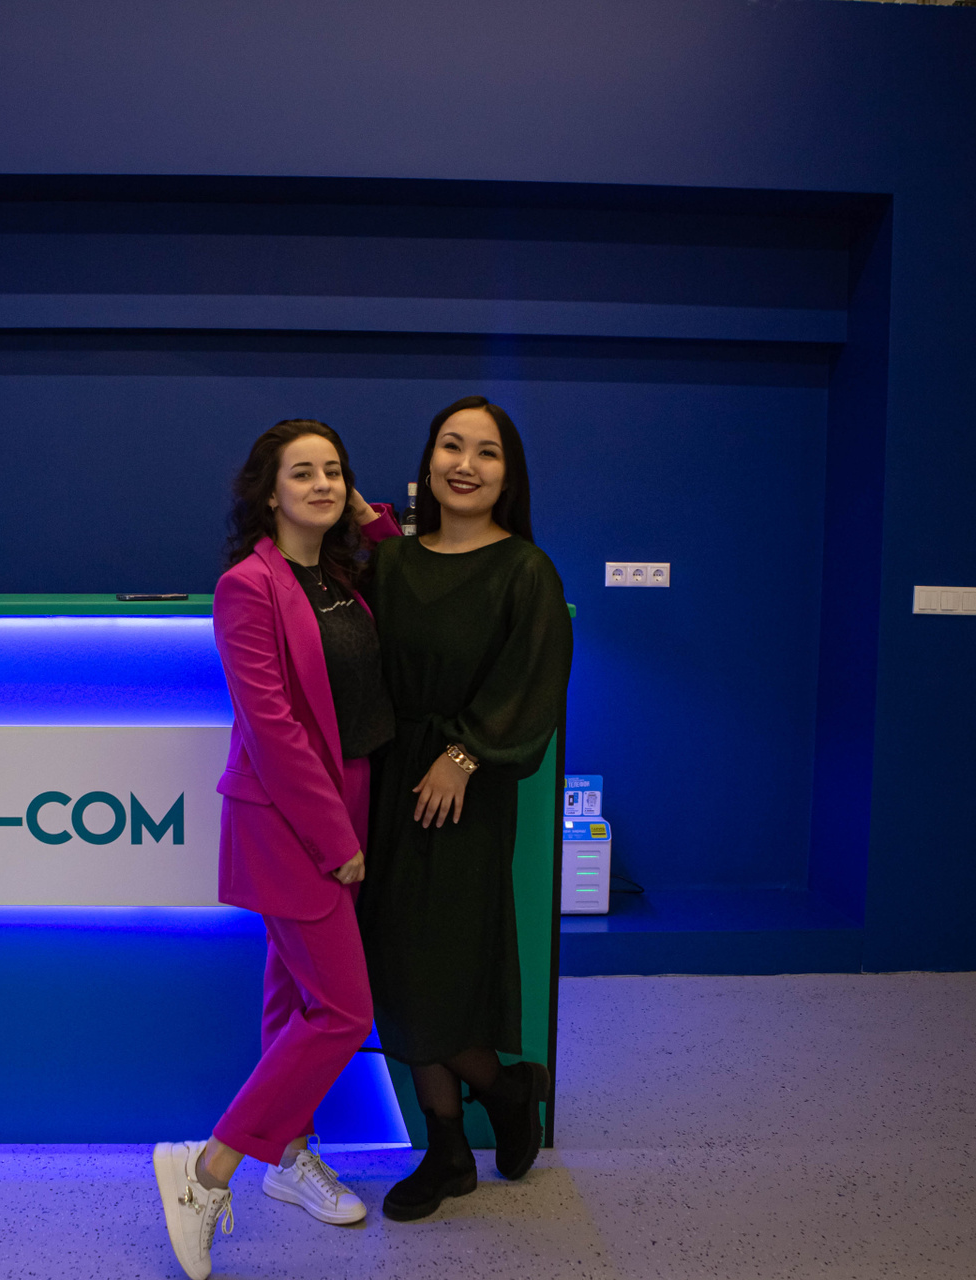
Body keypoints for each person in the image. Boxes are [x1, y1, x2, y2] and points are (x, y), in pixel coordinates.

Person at [153, 419, 401, 1280]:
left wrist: (367, 516)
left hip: (353, 791)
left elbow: (406, 565)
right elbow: (273, 727)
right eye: (303, 473)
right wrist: (335, 836)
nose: (323, 484)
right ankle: (208, 1166)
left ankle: (288, 1157)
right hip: (293, 814)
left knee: (294, 990)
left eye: (335, 470)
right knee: (342, 1011)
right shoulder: (247, 587)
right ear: (268, 494)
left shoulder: (342, 577)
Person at [356, 394, 573, 1222]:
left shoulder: (525, 570)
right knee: (396, 968)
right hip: (388, 785)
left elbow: (532, 682)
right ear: (429, 462)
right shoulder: (392, 564)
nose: (466, 465)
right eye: (452, 446)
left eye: (486, 452)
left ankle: (504, 1092)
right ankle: (451, 1144)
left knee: (439, 969)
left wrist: (463, 754)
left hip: (464, 795)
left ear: (508, 475)